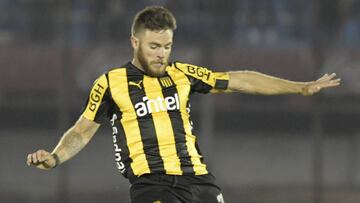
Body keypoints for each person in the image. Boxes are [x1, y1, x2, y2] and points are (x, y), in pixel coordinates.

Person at [26, 6, 340, 203]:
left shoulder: (183, 74)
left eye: (167, 46)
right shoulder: (110, 82)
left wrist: (299, 88)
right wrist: (54, 158)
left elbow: (240, 79)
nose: (161, 54)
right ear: (135, 42)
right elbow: (82, 130)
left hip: (200, 181)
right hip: (152, 185)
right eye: (153, 46)